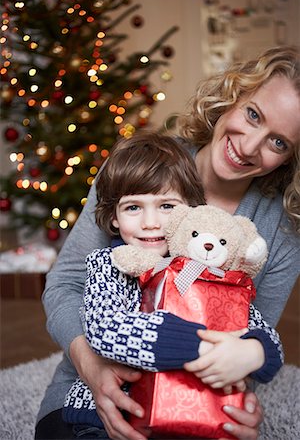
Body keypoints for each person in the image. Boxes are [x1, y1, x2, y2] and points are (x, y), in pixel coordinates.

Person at [35, 46, 300, 440]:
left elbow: (251, 337)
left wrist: (241, 393)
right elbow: (65, 283)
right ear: (233, 96)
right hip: (92, 391)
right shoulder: (136, 167)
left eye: (278, 142)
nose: (248, 147)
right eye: (253, 114)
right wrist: (92, 367)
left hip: (193, 403)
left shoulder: (281, 233)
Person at [61, 133, 283, 434]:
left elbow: (258, 328)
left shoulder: (208, 271)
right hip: (108, 415)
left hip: (187, 407)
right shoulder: (108, 264)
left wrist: (255, 352)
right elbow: (105, 329)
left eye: (166, 206)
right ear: (114, 217)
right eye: (133, 208)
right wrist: (203, 348)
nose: (150, 222)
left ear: (188, 212)